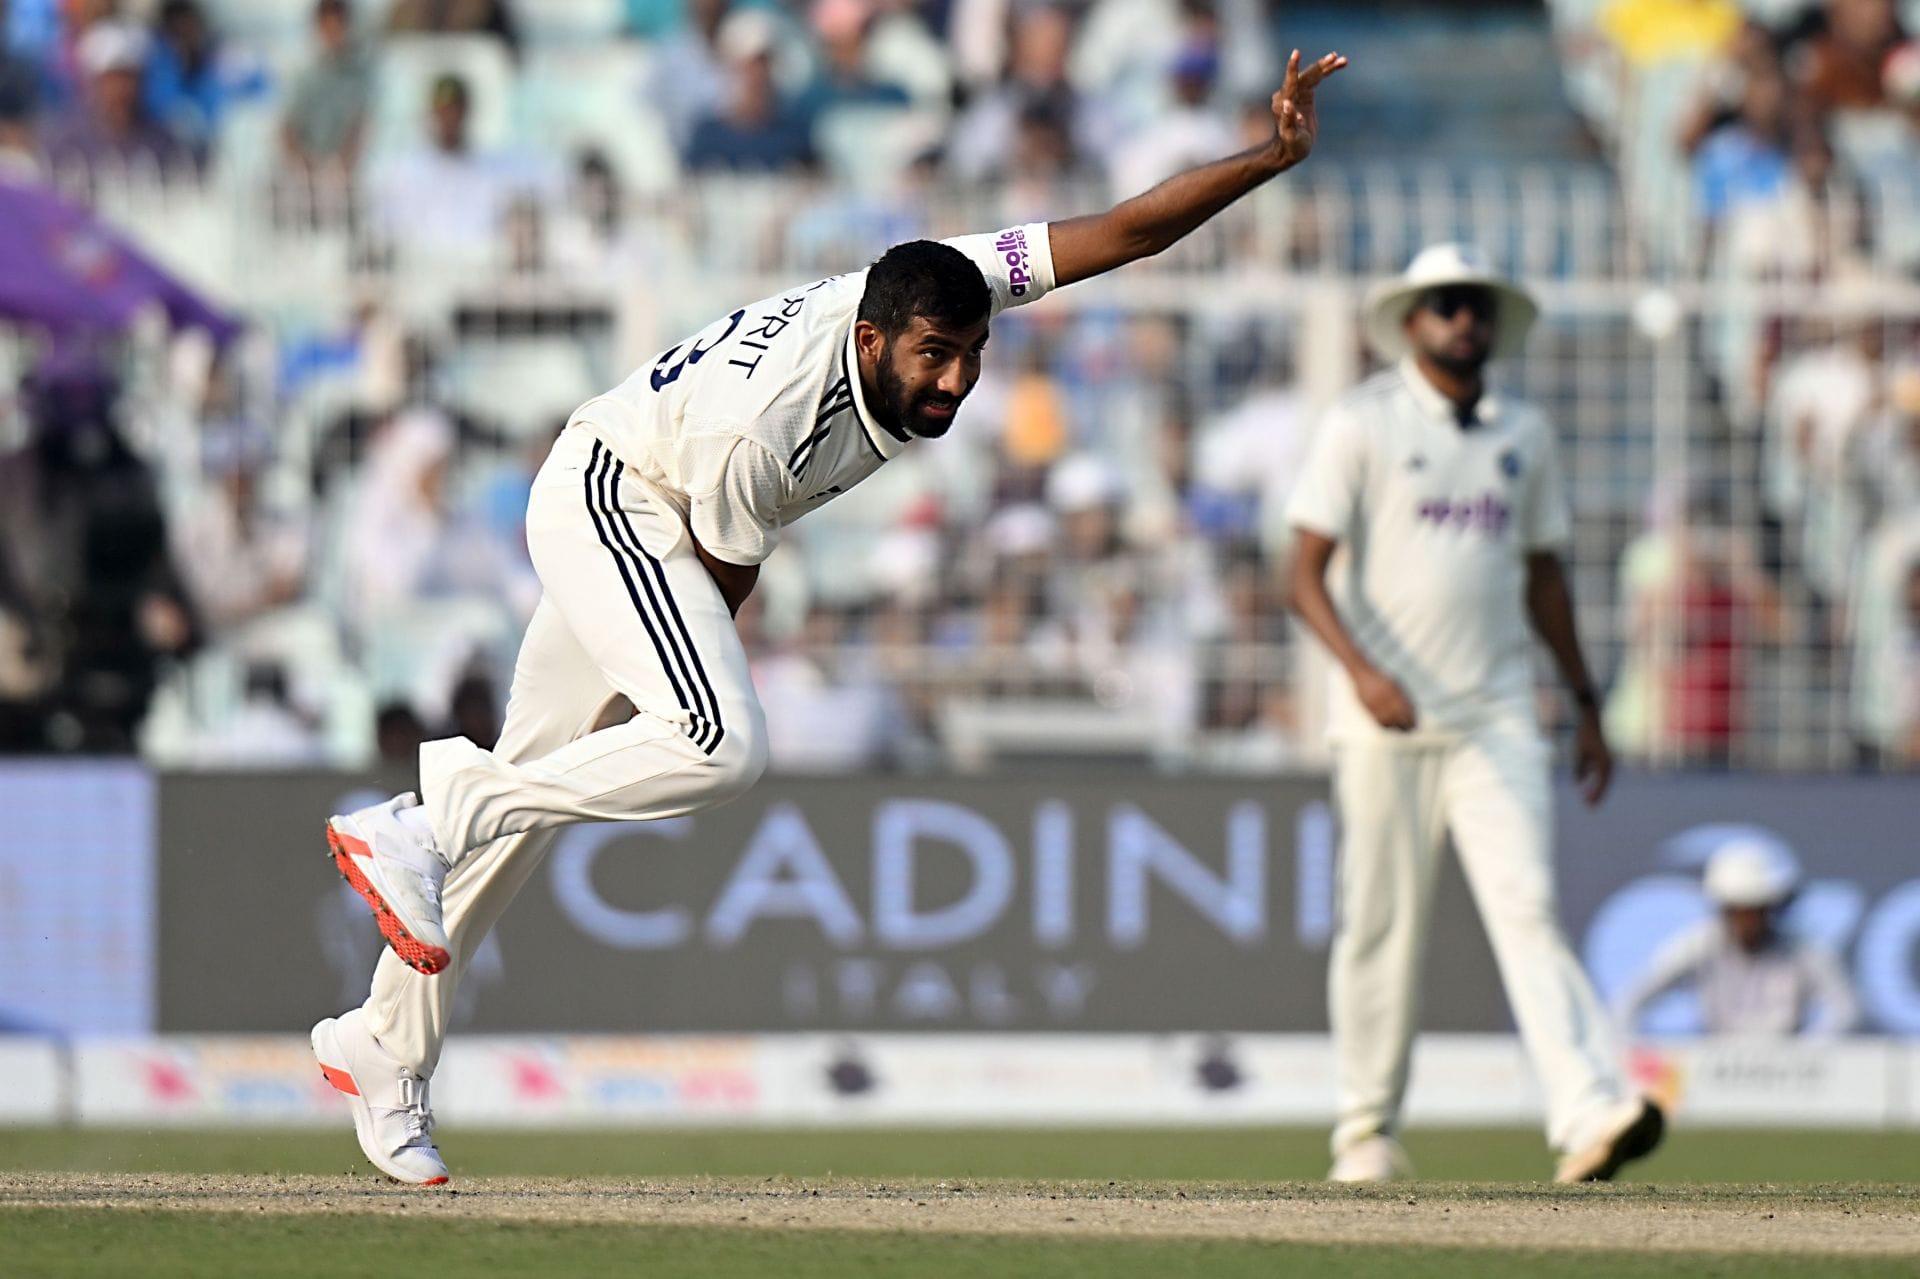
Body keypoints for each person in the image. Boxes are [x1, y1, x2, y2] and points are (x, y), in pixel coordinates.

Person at [309, 49, 1348, 1188]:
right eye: (933, 359)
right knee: (717, 744)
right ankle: (433, 806)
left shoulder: (946, 274)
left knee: (539, 801)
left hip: (631, 498)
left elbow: (1124, 232)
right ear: (871, 341)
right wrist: (659, 679)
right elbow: (717, 581)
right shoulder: (775, 427)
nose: (954, 382)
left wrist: (1270, 156)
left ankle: (383, 1045)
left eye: (969, 357)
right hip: (619, 500)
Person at [1285, 243, 1663, 1185]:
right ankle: (1365, 1130)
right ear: (1410, 322)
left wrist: (1584, 699)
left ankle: (1589, 1112)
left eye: (1477, 307)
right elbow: (1299, 571)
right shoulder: (1362, 421)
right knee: (1379, 922)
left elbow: (1543, 577)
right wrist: (1362, 674)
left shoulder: (1521, 434)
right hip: (1388, 716)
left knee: (1530, 907)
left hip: (1496, 712)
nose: (1465, 321)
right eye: (1447, 305)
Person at [1614, 841, 1860, 1036]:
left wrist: (1810, 1053)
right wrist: (1640, 1053)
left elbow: (1846, 1009)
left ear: (1771, 907)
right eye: (1739, 910)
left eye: (1756, 909)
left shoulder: (1802, 948)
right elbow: (1633, 999)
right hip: (1716, 1067)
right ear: (1724, 909)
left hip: (1789, 1071)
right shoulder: (1697, 945)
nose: (1748, 920)